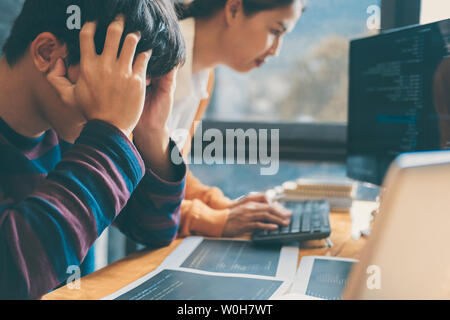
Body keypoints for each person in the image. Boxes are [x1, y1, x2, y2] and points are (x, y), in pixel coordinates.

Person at [0, 0, 186, 299]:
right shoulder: (90, 131)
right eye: (110, 78)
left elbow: (155, 229)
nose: (125, 102)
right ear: (47, 52)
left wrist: (151, 134)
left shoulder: (67, 128)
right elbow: (11, 273)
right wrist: (111, 130)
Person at [171, 0, 305, 238]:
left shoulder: (204, 75)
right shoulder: (155, 59)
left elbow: (168, 171)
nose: (276, 50)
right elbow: (129, 185)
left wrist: (224, 205)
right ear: (233, 9)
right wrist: (216, 220)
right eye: (275, 31)